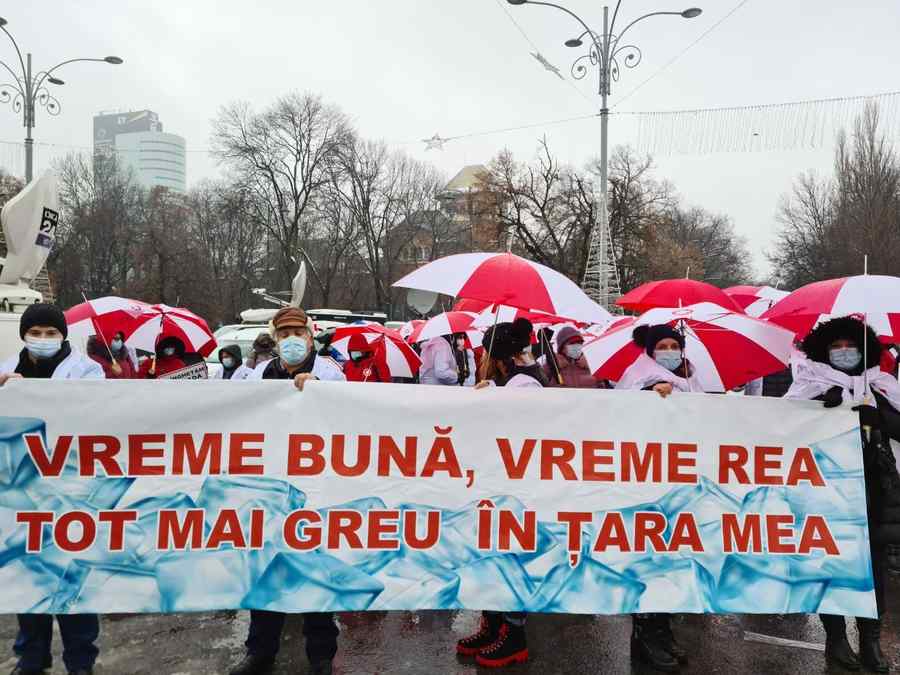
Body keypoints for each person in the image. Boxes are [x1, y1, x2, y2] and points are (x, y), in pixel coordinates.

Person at [232, 306, 344, 675]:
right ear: (275, 339)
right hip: (271, 485)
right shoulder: (261, 373)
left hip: (316, 487)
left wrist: (320, 391)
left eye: (298, 333)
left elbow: (349, 416)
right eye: (284, 334)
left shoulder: (330, 371)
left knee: (314, 569)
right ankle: (260, 651)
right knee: (267, 567)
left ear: (310, 338)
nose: (291, 340)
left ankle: (321, 655)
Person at [785, 316, 899, 673]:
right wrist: (819, 409)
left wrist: (877, 416)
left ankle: (870, 642)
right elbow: (781, 429)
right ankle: (835, 639)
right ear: (824, 351)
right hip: (826, 490)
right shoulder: (810, 385)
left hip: (873, 490)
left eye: (851, 345)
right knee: (830, 562)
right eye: (836, 346)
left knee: (873, 567)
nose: (844, 351)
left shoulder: (881, 385)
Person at [0, 303, 103, 675]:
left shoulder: (87, 371)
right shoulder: (6, 370)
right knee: (27, 574)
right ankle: (31, 655)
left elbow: (101, 415)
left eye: (51, 333)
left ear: (63, 335)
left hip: (71, 487)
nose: (42, 339)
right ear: (24, 335)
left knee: (73, 574)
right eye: (35, 332)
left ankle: (80, 659)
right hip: (20, 489)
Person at [456, 318, 537, 668]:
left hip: (515, 489)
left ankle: (513, 634)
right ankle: (492, 624)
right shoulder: (505, 383)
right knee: (491, 556)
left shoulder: (524, 386)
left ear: (498, 357)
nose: (479, 359)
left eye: (484, 353)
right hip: (495, 484)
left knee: (509, 558)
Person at [617, 324, 697, 672]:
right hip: (644, 482)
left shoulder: (690, 378)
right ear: (650, 351)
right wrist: (650, 393)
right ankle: (644, 635)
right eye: (661, 346)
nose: (668, 351)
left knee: (671, 560)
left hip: (678, 484)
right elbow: (619, 410)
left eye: (673, 345)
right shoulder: (638, 376)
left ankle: (663, 631)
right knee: (647, 558)